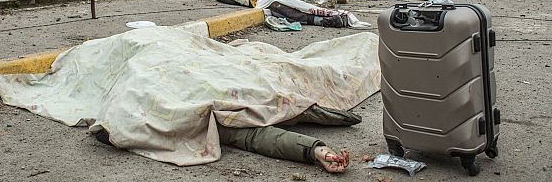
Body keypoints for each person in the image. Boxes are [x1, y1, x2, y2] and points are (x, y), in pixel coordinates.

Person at [95, 104, 359, 173]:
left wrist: (315, 150)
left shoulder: (221, 117)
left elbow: (257, 134)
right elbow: (257, 137)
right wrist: (314, 150)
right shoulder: (210, 124)